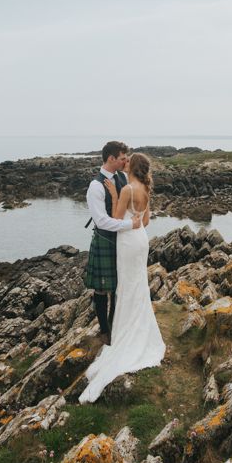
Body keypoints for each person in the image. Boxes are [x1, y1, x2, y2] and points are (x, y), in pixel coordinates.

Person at [79, 152, 166, 404]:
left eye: (127, 161)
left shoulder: (127, 189)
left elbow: (116, 220)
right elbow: (145, 221)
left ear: (132, 166)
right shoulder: (146, 189)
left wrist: (117, 196)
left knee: (126, 287)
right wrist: (133, 218)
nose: (124, 163)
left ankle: (121, 333)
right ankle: (134, 327)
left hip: (127, 242)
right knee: (137, 286)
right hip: (141, 241)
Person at [84, 141, 142, 345]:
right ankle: (104, 330)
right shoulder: (95, 186)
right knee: (101, 289)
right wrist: (130, 225)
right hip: (105, 241)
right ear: (111, 159)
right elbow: (101, 221)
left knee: (119, 286)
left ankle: (115, 326)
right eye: (122, 158)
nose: (125, 161)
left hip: (122, 241)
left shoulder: (122, 177)